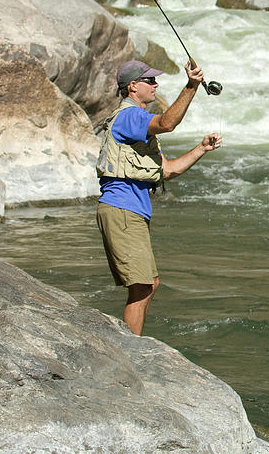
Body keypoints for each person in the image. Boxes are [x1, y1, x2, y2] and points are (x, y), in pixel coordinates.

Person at [96, 59, 221, 335]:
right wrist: (191, 85)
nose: (155, 84)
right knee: (142, 286)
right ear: (133, 87)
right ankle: (131, 349)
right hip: (122, 209)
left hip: (130, 211)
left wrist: (200, 149)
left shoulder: (138, 124)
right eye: (149, 81)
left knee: (149, 284)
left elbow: (166, 171)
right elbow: (166, 123)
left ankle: (131, 344)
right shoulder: (129, 116)